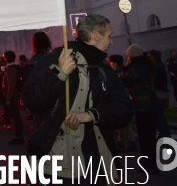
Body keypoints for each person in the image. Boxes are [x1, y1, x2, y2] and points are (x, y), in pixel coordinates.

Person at [22, 14, 132, 185]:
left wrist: (92, 114)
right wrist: (60, 73)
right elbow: (31, 100)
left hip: (97, 162)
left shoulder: (103, 69)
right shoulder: (57, 59)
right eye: (108, 36)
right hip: (58, 162)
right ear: (96, 35)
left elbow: (124, 109)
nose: (111, 42)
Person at [123, 44, 159, 175]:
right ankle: (150, 162)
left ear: (131, 56)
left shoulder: (134, 68)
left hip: (142, 106)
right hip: (152, 105)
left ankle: (149, 164)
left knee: (144, 137)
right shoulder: (147, 66)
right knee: (150, 136)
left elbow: (125, 81)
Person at [107, 54, 137, 152]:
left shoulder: (117, 73)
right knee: (125, 123)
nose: (109, 64)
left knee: (121, 122)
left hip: (119, 100)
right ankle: (131, 142)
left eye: (111, 62)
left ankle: (121, 143)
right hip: (125, 99)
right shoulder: (124, 71)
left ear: (115, 64)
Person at [2, 50, 24, 145]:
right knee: (16, 116)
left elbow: (11, 85)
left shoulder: (10, 69)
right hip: (16, 94)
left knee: (16, 116)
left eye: (4, 57)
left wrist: (8, 98)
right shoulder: (15, 67)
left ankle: (18, 136)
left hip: (13, 95)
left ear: (7, 58)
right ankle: (19, 135)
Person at [148, 50, 171, 139]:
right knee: (158, 116)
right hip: (160, 94)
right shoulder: (160, 65)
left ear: (153, 57)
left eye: (150, 56)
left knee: (159, 117)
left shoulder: (157, 67)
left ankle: (165, 135)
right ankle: (163, 135)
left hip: (158, 94)